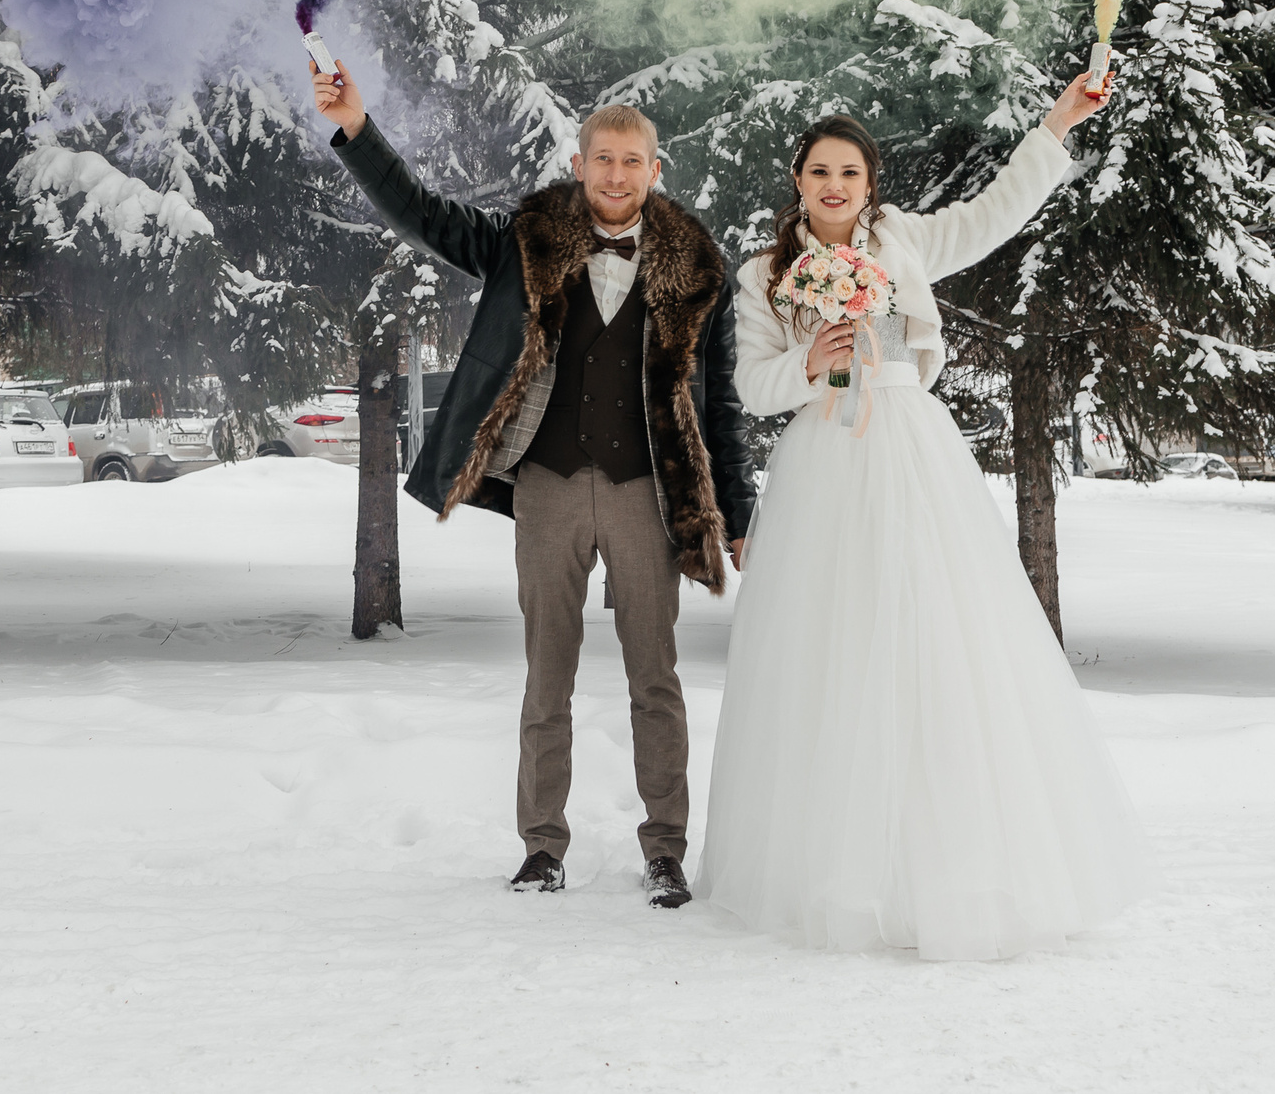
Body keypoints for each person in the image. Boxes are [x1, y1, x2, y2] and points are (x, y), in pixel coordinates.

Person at [699, 77, 1156, 960]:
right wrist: (810, 358)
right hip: (824, 458)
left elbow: (991, 215)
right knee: (830, 647)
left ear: (872, 184)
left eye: (851, 172)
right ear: (798, 180)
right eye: (820, 171)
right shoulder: (761, 274)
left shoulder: (901, 239)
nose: (835, 186)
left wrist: (1055, 127)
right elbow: (752, 386)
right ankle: (831, 868)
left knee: (937, 634)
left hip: (911, 446)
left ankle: (946, 861)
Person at [311, 59, 757, 908]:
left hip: (645, 494)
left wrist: (734, 511)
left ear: (655, 171)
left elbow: (721, 405)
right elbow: (427, 217)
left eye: (633, 161)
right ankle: (541, 847)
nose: (617, 175)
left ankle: (666, 849)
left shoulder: (701, 267)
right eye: (603, 159)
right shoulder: (529, 238)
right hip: (548, 486)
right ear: (580, 162)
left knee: (654, 679)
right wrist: (360, 132)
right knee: (545, 675)